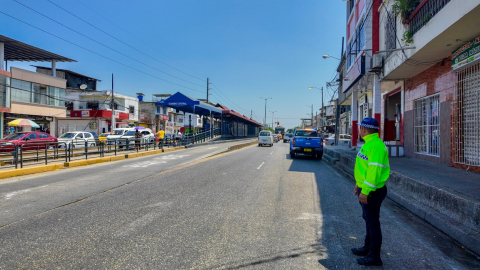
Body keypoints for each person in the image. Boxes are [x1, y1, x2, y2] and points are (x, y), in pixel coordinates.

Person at [352, 117, 390, 266]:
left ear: (364, 129)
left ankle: (374, 256)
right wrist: (358, 185)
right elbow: (364, 169)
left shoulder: (376, 146)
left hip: (372, 191)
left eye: (360, 127)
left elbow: (373, 173)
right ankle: (367, 248)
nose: (359, 130)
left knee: (373, 222)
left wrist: (365, 190)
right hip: (366, 188)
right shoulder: (369, 144)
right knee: (368, 219)